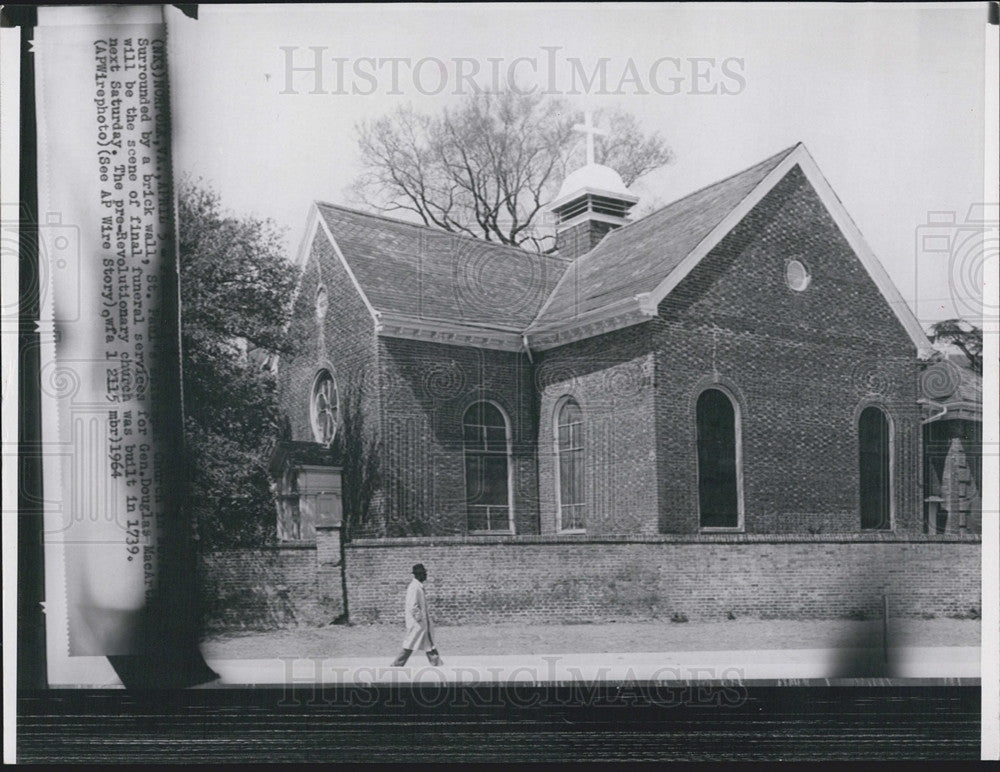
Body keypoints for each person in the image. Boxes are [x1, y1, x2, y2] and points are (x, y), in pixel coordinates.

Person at [391, 563, 443, 666]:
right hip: (417, 624)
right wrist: (420, 619)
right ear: (418, 575)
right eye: (423, 573)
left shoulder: (418, 586)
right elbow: (413, 606)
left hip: (421, 624)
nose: (425, 575)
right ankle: (396, 665)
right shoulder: (414, 587)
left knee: (429, 645)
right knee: (410, 645)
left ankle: (438, 664)